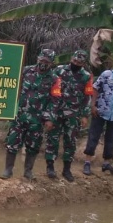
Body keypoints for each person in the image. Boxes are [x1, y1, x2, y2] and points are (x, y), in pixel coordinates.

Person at [0, 49, 57, 181]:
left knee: (33, 146)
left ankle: (28, 171)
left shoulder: (54, 79)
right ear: (38, 58)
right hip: (20, 116)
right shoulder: (25, 71)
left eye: (47, 62)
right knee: (12, 143)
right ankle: (8, 170)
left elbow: (55, 100)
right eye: (41, 60)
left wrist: (49, 118)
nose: (43, 63)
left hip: (37, 119)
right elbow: (13, 87)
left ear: (51, 63)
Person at [45, 50, 92, 182]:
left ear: (83, 63)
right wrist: (48, 112)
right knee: (52, 139)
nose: (76, 63)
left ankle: (67, 169)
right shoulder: (59, 70)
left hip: (73, 114)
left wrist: (85, 115)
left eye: (79, 62)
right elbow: (50, 89)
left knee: (70, 142)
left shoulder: (86, 76)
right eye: (75, 61)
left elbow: (87, 96)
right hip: (56, 111)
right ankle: (50, 167)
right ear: (71, 58)